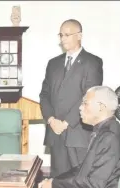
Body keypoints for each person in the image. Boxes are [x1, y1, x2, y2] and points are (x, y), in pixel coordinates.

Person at [39, 19, 103, 177]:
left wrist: (66, 122)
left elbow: (89, 96)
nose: (63, 39)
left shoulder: (92, 62)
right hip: (56, 134)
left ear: (79, 35)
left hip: (78, 134)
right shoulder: (53, 64)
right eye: (61, 35)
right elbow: (44, 94)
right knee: (58, 181)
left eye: (67, 34)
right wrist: (51, 120)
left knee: (80, 180)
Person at [39, 86, 120, 188]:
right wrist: (54, 181)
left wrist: (54, 184)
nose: (80, 107)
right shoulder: (104, 130)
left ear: (101, 107)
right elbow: (83, 169)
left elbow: (94, 183)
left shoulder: (110, 137)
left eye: (85, 103)